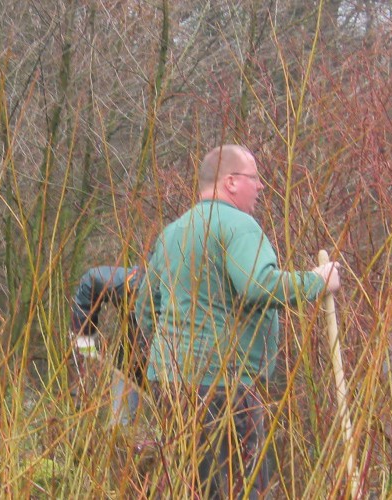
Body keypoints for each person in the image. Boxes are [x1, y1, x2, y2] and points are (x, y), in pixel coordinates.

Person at [137, 144, 341, 498]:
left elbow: (144, 308)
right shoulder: (240, 227)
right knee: (241, 487)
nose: (261, 186)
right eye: (254, 178)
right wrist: (316, 282)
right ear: (230, 182)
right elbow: (258, 286)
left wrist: (166, 360)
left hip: (171, 384)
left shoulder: (173, 232)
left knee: (190, 485)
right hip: (225, 386)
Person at [68, 265, 147, 425]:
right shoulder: (132, 282)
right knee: (121, 429)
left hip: (180, 376)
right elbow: (90, 282)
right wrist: (84, 345)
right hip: (130, 368)